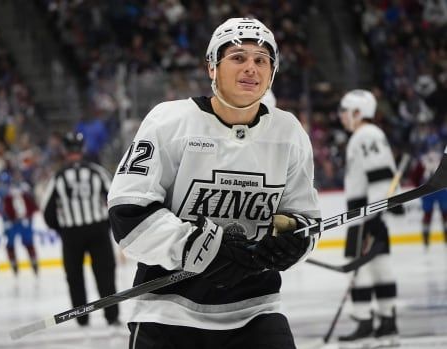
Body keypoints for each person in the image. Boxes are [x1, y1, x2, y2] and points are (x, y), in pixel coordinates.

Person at [107, 18, 321, 348]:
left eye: (261, 60)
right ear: (212, 67)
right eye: (238, 57)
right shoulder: (170, 122)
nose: (251, 67)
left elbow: (304, 217)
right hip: (167, 312)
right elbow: (129, 215)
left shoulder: (289, 133)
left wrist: (293, 241)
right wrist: (202, 248)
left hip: (255, 311)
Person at [337, 89, 400, 347]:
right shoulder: (365, 136)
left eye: (345, 111)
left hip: (366, 215)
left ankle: (366, 320)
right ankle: (386, 319)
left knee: (360, 267)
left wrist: (373, 215)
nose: (341, 116)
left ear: (357, 112)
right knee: (378, 265)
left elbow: (380, 176)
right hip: (367, 214)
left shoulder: (366, 135)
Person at [41, 131, 119, 327]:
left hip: (71, 234)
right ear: (82, 149)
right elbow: (116, 200)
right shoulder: (96, 171)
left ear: (65, 151)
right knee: (105, 275)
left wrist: (63, 229)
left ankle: (82, 319)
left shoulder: (58, 177)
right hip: (98, 230)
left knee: (75, 278)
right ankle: (111, 316)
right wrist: (107, 225)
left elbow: (47, 212)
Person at [411, 134, 447, 249]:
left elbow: (415, 176)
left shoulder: (423, 158)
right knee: (443, 214)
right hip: (441, 189)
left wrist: (419, 187)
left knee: (429, 214)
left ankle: (426, 240)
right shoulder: (442, 157)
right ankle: (428, 240)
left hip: (428, 189)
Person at [1, 171, 39, 276]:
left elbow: (32, 205)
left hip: (24, 222)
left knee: (28, 243)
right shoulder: (6, 195)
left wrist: (29, 217)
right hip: (13, 223)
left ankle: (34, 263)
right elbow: (4, 209)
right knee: (10, 244)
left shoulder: (25, 191)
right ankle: (14, 265)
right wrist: (6, 220)